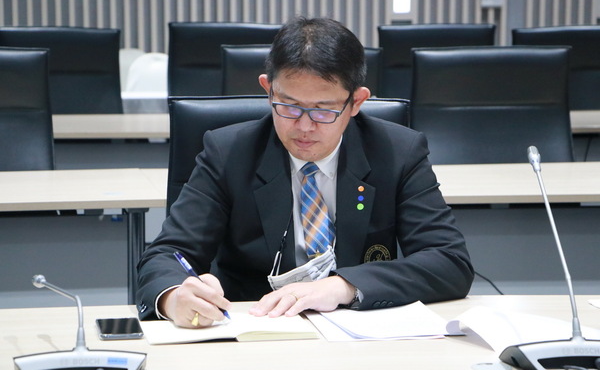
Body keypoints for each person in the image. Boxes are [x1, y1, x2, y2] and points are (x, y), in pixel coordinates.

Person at [136, 16, 474, 327]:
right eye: (289, 106)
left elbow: (449, 261)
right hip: (254, 329)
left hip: (360, 334)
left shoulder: (398, 152)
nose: (304, 127)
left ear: (356, 102)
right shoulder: (228, 153)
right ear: (268, 89)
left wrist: (343, 286)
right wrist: (173, 297)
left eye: (323, 111)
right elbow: (167, 255)